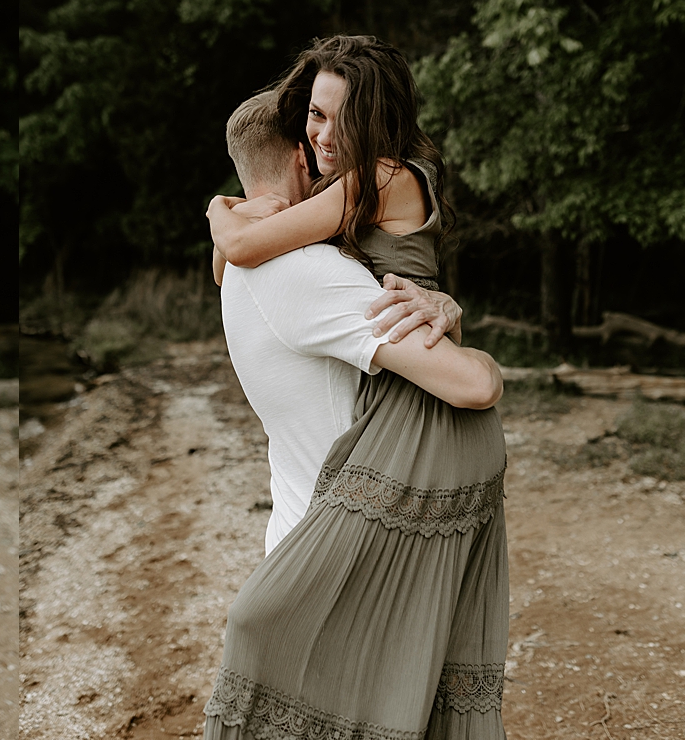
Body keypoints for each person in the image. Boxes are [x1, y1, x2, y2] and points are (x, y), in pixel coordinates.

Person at [202, 36, 509, 738]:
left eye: (343, 117)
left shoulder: (381, 177)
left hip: (426, 409)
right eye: (315, 115)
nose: (326, 135)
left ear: (380, 119)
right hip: (410, 389)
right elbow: (240, 268)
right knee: (409, 633)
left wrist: (220, 213)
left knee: (315, 620)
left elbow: (243, 252)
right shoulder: (361, 195)